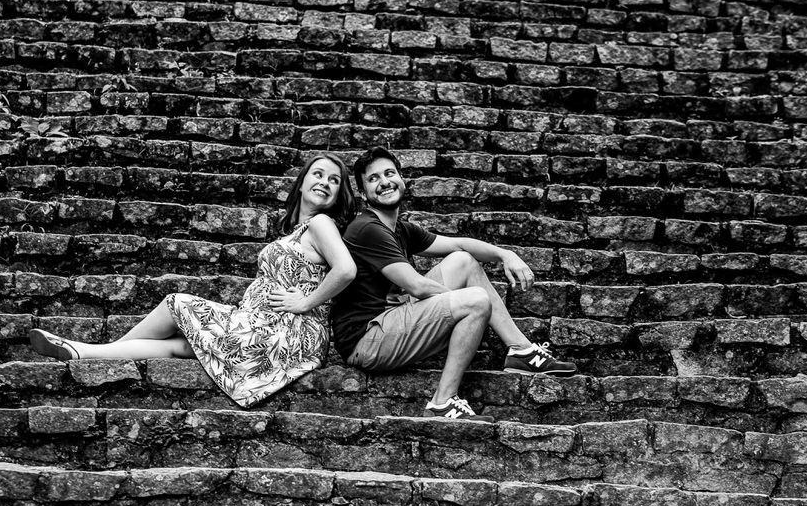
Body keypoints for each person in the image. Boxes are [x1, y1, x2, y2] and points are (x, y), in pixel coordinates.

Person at [30, 153, 358, 407]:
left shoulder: (321, 223)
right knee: (185, 346)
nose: (325, 182)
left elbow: (345, 270)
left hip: (287, 332)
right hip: (266, 326)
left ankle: (99, 350)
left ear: (338, 194)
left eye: (334, 180)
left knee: (177, 303)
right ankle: (83, 352)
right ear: (301, 183)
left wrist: (305, 302)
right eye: (318, 174)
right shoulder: (298, 231)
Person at [330, 146, 576, 421]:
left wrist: (505, 254)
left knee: (464, 261)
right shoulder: (367, 229)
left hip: (391, 320)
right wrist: (467, 302)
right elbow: (417, 287)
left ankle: (521, 350)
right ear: (363, 193)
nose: (384, 182)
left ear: (401, 178)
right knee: (476, 301)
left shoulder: (400, 228)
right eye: (373, 178)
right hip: (367, 340)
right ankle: (443, 402)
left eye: (389, 173)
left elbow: (458, 245)